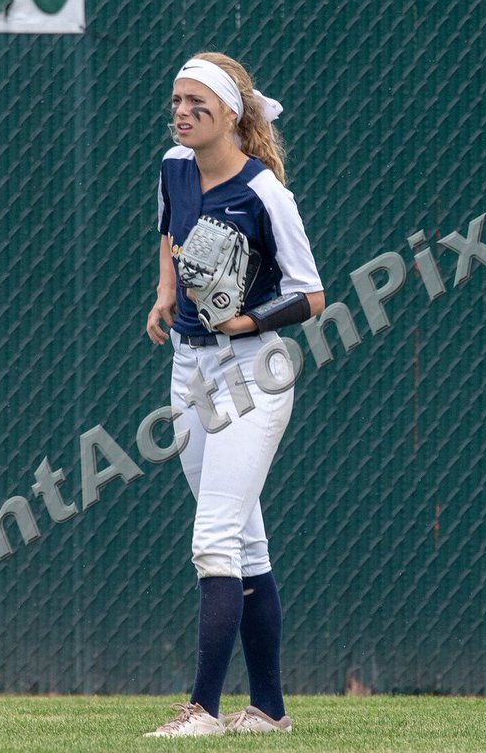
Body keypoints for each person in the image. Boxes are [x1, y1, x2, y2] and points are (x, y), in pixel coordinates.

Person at [143, 52, 326, 737]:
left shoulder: (265, 193)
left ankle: (203, 710)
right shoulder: (173, 166)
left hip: (253, 368)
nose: (182, 112)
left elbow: (311, 295)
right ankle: (270, 710)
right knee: (244, 541)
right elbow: (170, 232)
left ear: (231, 115)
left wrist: (249, 319)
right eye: (176, 101)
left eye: (197, 103)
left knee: (214, 537)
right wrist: (165, 295)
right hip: (190, 367)